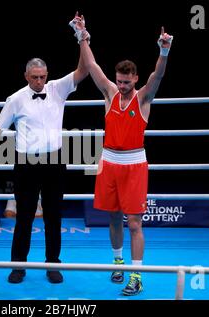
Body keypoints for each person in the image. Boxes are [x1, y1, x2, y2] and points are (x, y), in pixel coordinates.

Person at [70, 13, 173, 295]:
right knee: (113, 217)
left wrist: (164, 50)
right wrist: (82, 34)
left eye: (127, 82)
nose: (123, 86)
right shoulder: (110, 93)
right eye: (120, 81)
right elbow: (91, 65)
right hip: (109, 163)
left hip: (134, 164)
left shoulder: (143, 98)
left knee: (135, 222)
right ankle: (117, 263)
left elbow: (158, 75)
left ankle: (137, 275)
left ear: (135, 79)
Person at [0, 30, 89, 284]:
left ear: (46, 75)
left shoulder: (58, 89)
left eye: (42, 77)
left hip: (54, 161)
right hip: (26, 163)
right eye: (34, 77)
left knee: (53, 215)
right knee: (24, 216)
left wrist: (82, 38)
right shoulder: (15, 99)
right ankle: (18, 265)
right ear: (26, 76)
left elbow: (84, 70)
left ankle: (53, 264)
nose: (39, 81)